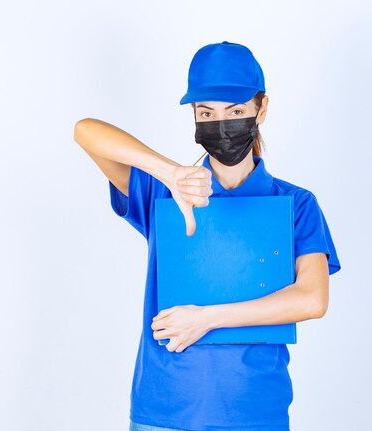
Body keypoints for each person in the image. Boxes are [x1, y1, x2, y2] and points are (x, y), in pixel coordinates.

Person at [74, 41, 341, 431]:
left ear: (260, 109)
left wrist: (207, 319)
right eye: (206, 112)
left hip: (254, 411)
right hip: (164, 411)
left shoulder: (295, 203)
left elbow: (313, 298)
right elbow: (85, 132)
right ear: (194, 117)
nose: (221, 124)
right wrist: (170, 173)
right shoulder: (164, 194)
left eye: (235, 110)